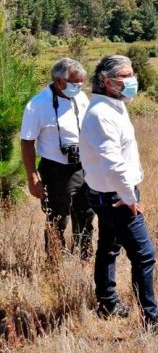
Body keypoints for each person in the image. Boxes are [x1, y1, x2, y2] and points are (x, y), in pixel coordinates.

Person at [79, 55, 158, 340]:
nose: (132, 80)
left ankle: (107, 303)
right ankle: (152, 321)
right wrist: (128, 196)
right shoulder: (101, 114)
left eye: (132, 73)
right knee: (144, 255)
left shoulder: (114, 106)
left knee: (109, 248)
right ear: (106, 80)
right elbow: (112, 162)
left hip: (110, 193)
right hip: (116, 196)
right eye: (125, 75)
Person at [20, 57, 94, 260]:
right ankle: (54, 264)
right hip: (56, 170)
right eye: (74, 83)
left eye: (82, 83)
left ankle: (85, 258)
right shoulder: (37, 105)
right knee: (58, 218)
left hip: (84, 165)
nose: (79, 87)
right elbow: (27, 142)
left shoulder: (80, 98)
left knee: (86, 214)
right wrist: (32, 177)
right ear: (59, 81)